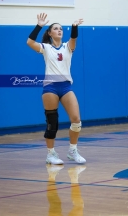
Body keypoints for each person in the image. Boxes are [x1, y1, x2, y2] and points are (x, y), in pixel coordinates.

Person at [27, 13, 86, 165]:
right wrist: (39, 25)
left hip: (66, 86)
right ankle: (50, 154)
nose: (59, 30)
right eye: (56, 28)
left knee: (76, 120)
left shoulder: (68, 47)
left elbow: (73, 39)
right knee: (52, 123)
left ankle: (72, 150)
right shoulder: (46, 48)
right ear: (50, 33)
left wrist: (74, 26)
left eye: (61, 29)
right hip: (50, 87)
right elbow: (29, 42)